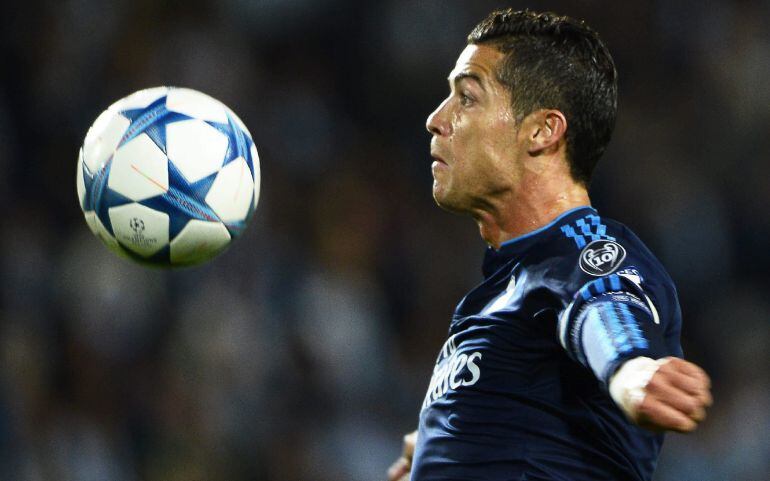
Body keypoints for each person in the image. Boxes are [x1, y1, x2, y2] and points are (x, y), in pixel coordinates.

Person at [387, 8, 712, 481]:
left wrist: (631, 371)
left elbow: (603, 305)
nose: (436, 119)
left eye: (467, 98)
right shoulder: (501, 290)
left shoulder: (579, 248)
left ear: (542, 131)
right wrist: (446, 445)